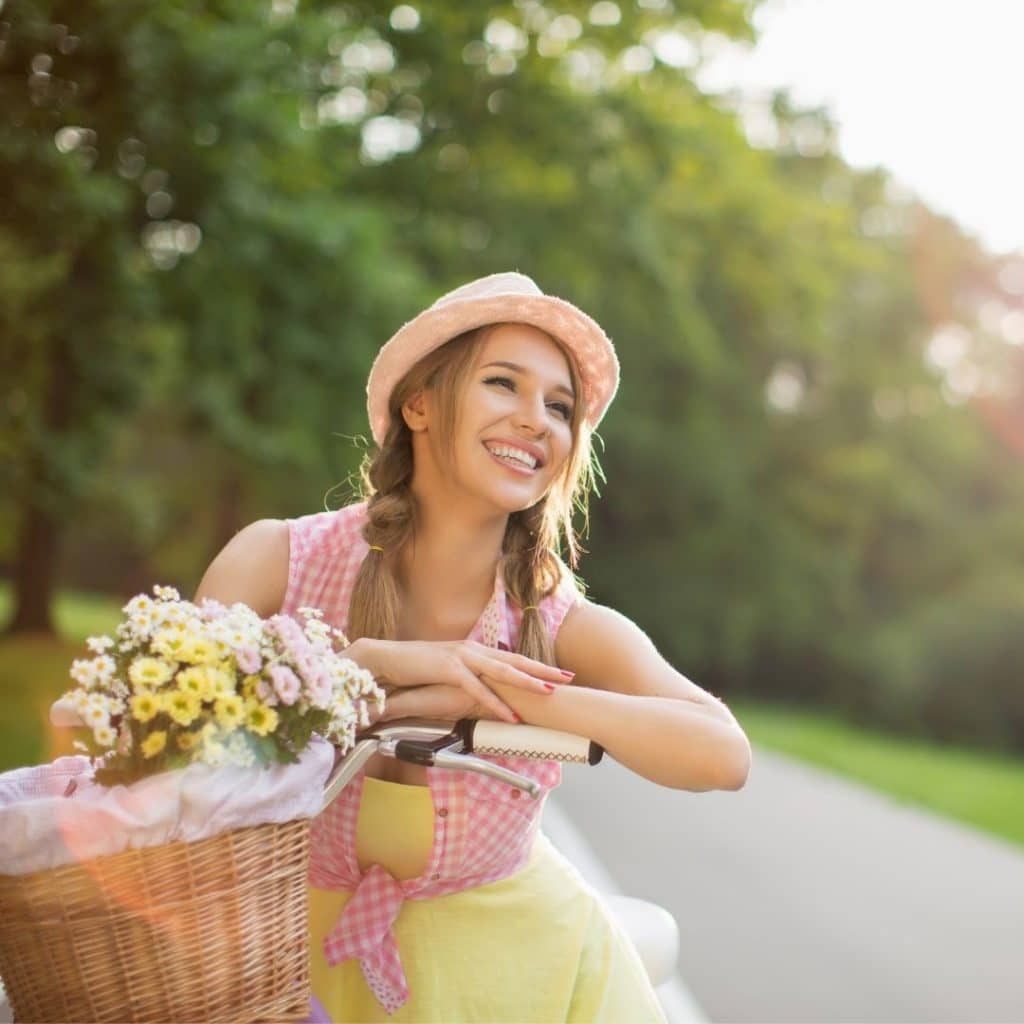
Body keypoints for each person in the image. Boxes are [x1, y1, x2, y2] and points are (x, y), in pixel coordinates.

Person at [194, 271, 752, 1022]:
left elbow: (723, 753)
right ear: (419, 404)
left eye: (559, 407)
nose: (537, 420)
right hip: (282, 951)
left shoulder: (555, 619)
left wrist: (510, 696)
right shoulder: (276, 560)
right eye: (503, 384)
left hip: (514, 971)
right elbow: (162, 725)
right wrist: (374, 666)